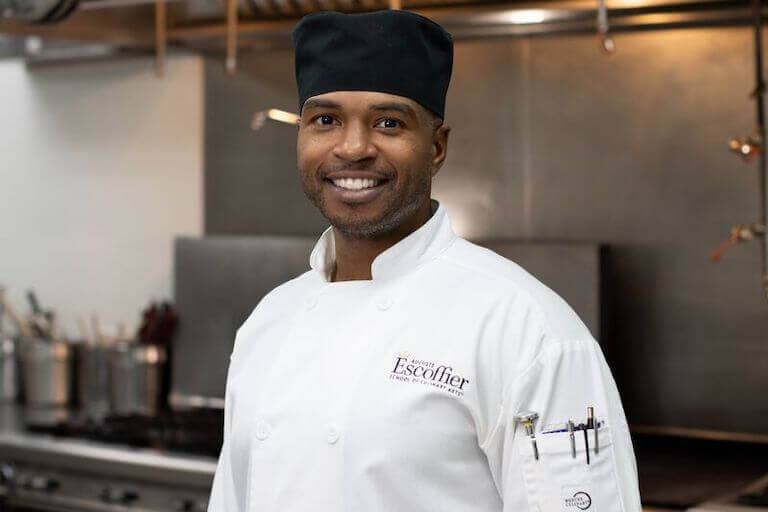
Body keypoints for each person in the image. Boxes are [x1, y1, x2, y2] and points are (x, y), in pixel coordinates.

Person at [207, 8, 642, 512]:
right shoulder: (268, 323)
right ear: (301, 136)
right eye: (326, 120)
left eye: (388, 123)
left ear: (436, 147)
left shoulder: (529, 331)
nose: (353, 148)